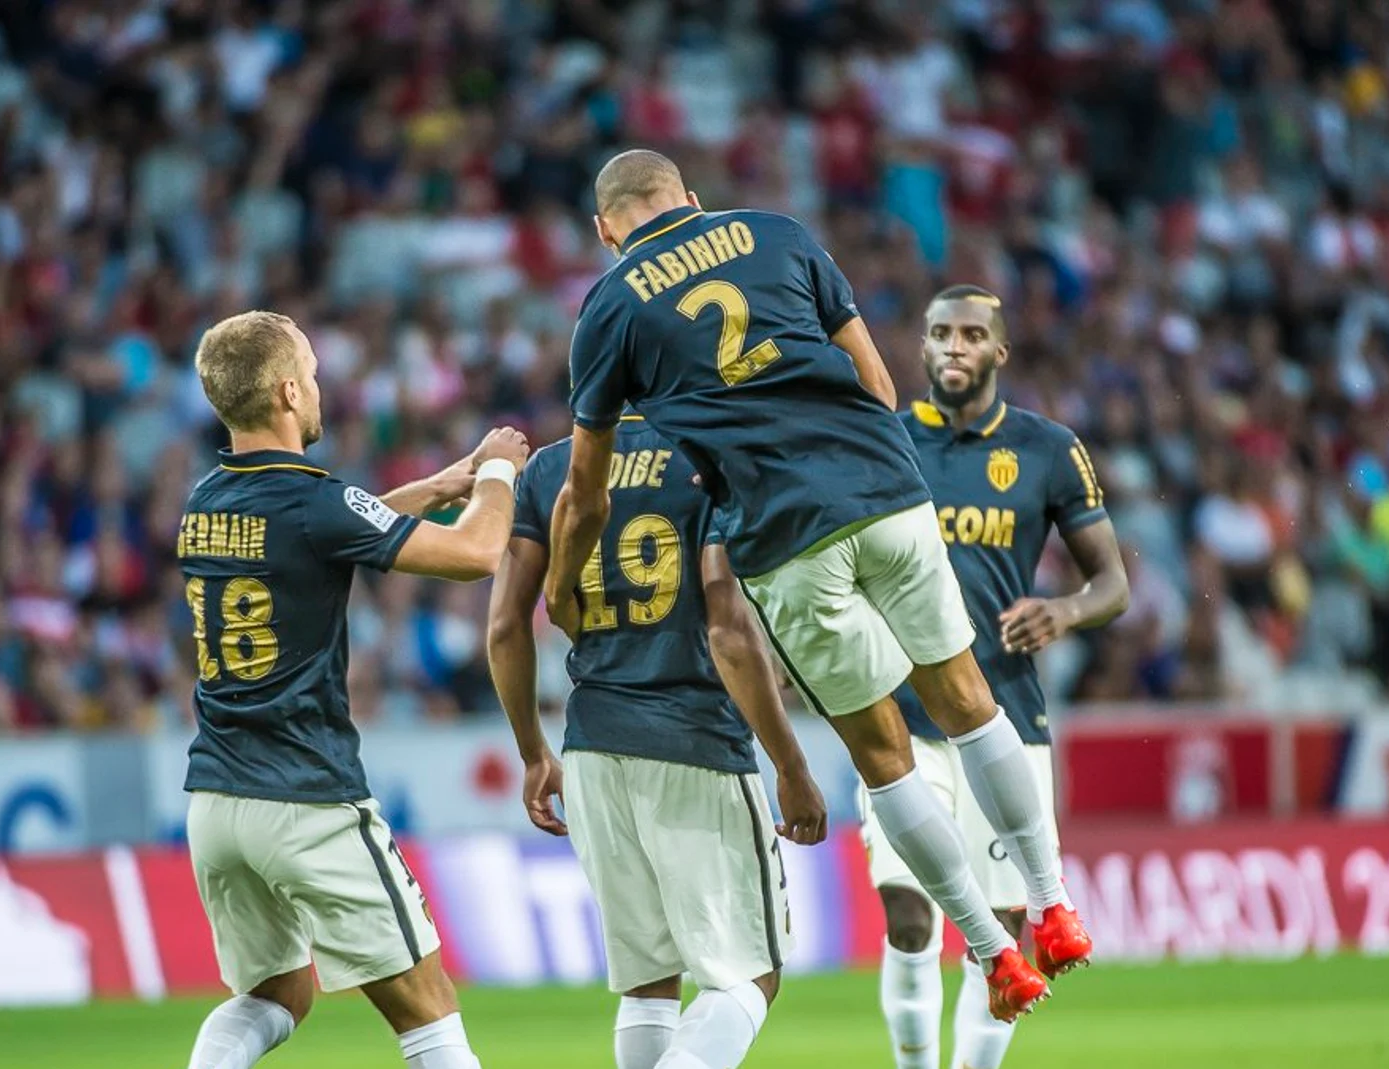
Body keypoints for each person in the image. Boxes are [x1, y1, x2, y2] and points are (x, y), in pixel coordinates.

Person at [543, 149, 1073, 1019]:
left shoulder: (608, 307)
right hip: (889, 492)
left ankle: (991, 952)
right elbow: (876, 378)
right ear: (693, 201)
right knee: (970, 700)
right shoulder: (777, 233)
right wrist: (886, 473)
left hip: (785, 536)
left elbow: (587, 488)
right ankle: (1053, 903)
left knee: (885, 761)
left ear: (606, 231)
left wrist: (561, 586)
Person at [177, 310, 530, 1069]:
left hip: (215, 800)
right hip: (307, 796)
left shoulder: (205, 500)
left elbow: (327, 535)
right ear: (287, 391)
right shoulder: (314, 502)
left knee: (276, 995)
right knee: (428, 1008)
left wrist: (435, 485)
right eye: (311, 370)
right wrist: (498, 469)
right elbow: (475, 553)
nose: (319, 385)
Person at [488, 413, 828, 1069]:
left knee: (649, 980)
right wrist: (790, 763)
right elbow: (727, 631)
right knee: (749, 974)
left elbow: (506, 628)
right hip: (694, 740)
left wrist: (534, 751)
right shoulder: (715, 452)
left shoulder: (551, 467)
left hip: (590, 749)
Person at [870, 285, 1128, 1069]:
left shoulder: (1047, 448)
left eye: (971, 334)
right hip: (902, 718)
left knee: (1008, 924)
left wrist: (1063, 612)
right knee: (909, 912)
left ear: (998, 351)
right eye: (941, 332)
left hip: (1005, 717)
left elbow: (1112, 582)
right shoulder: (884, 440)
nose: (954, 346)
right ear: (921, 347)